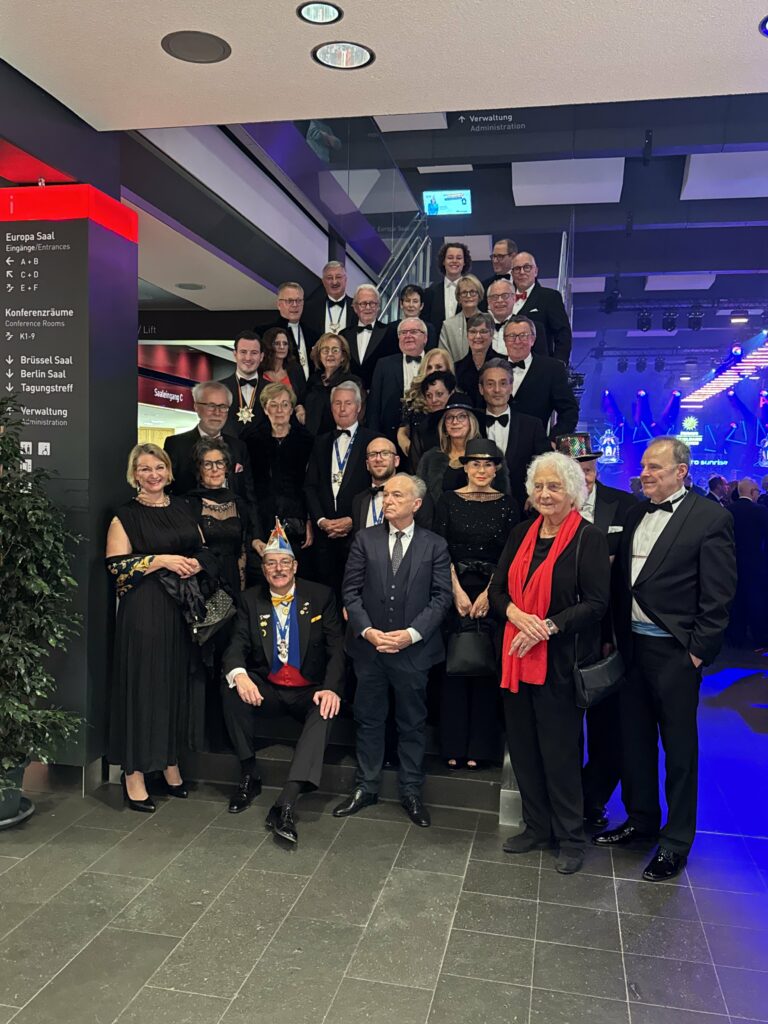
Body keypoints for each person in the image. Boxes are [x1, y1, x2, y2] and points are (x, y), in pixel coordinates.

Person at [594, 438, 736, 882]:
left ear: (681, 471)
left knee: (679, 751)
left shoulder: (710, 517)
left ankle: (675, 841)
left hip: (675, 653)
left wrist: (697, 652)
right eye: (643, 466)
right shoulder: (637, 512)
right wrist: (614, 637)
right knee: (635, 741)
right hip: (632, 648)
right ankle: (641, 820)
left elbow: (718, 594)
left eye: (654, 466)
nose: (645, 473)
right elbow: (623, 584)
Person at [489, 452, 610, 874]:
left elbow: (596, 603)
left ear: (573, 492)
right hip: (516, 658)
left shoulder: (588, 538)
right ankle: (537, 827)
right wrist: (516, 615)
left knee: (560, 755)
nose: (544, 493)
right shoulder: (521, 532)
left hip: (560, 662)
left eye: (554, 486)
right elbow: (498, 590)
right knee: (523, 750)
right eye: (538, 486)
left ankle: (571, 838)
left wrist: (549, 626)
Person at [335, 473, 452, 827]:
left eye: (397, 495)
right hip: (370, 651)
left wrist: (411, 635)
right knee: (368, 719)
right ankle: (366, 786)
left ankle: (411, 791)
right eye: (386, 495)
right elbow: (350, 592)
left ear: (416, 504)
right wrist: (368, 631)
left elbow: (441, 597)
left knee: (412, 723)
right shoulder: (364, 539)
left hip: (413, 652)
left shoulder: (435, 545)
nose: (388, 500)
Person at [222, 522, 344, 843]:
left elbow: (337, 649)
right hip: (270, 688)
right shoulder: (250, 600)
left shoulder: (320, 596)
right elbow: (236, 646)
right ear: (263, 569)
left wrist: (331, 688)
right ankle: (249, 772)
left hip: (308, 689)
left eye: (284, 562)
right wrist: (240, 675)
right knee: (231, 686)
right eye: (271, 563)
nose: (279, 569)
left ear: (295, 566)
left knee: (326, 708)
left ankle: (286, 802)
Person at [106, 444, 208, 811]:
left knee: (173, 685)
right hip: (144, 610)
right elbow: (116, 565)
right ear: (134, 475)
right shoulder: (125, 516)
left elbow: (202, 548)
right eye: (145, 469)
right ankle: (133, 775)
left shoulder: (183, 507)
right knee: (143, 687)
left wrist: (195, 564)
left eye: (159, 467)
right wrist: (160, 560)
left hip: (181, 609)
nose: (153, 475)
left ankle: (169, 764)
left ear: (168, 471)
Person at [555, 433, 637, 829]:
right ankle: (564, 799)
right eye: (574, 471)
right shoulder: (544, 509)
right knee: (562, 724)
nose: (583, 478)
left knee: (609, 725)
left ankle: (593, 798)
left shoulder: (624, 505)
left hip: (610, 634)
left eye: (587, 469)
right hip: (560, 632)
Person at [434, 439, 518, 769]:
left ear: (496, 469)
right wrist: (455, 590)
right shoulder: (447, 500)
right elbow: (440, 548)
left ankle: (481, 749)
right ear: (465, 467)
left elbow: (510, 554)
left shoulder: (509, 504)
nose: (481, 470)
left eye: (487, 464)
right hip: (453, 590)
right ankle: (452, 746)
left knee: (485, 666)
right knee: (454, 667)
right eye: (475, 464)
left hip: (493, 591)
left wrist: (488, 594)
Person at [184, 438, 249, 752]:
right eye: (207, 464)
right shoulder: (187, 503)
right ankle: (198, 737)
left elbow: (244, 548)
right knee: (201, 657)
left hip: (232, 585)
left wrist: (242, 591)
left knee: (228, 654)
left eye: (219, 463)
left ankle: (225, 735)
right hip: (201, 585)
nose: (213, 469)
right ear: (199, 469)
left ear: (227, 468)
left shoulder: (239, 502)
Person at [164, 381, 261, 542]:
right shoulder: (175, 445)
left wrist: (256, 536)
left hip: (234, 536)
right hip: (189, 535)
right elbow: (167, 493)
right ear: (196, 407)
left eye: (223, 407)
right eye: (211, 406)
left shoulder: (239, 447)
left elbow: (249, 496)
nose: (217, 412)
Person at [304, 381, 378, 594]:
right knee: (325, 594)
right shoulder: (320, 442)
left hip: (359, 534)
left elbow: (377, 488)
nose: (342, 409)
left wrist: (353, 520)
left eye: (348, 403)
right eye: (337, 403)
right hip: (324, 536)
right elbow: (310, 486)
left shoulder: (374, 440)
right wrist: (321, 520)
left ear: (358, 407)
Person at [246, 383, 314, 561]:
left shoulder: (307, 441)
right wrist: (254, 532)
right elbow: (248, 488)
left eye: (285, 404)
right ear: (265, 409)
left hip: (297, 525)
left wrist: (309, 520)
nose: (279, 410)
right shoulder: (250, 441)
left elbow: (312, 484)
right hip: (262, 524)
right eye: (273, 405)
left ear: (291, 409)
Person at [478, 359, 549, 512]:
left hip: (522, 508)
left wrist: (535, 493)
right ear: (481, 389)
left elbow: (546, 465)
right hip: (477, 507)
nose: (497, 390)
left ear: (511, 387)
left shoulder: (532, 425)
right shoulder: (471, 423)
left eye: (503, 383)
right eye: (490, 384)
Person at [418, 393, 510, 504]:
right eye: (449, 417)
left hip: (484, 513)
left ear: (471, 422)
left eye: (461, 416)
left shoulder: (491, 452)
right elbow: (422, 499)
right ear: (444, 426)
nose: (455, 422)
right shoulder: (430, 458)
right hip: (440, 514)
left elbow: (503, 497)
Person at [503, 318, 579, 438]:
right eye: (511, 336)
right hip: (494, 445)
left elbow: (569, 411)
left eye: (523, 336)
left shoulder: (552, 369)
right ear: (505, 340)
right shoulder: (492, 366)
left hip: (536, 446)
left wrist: (553, 440)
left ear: (533, 339)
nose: (517, 341)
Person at [351, 435, 435, 532]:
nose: (378, 459)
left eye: (385, 453)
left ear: (396, 461)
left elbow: (424, 536)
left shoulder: (415, 495)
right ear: (367, 464)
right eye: (372, 454)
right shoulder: (358, 500)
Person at [367, 317, 429, 443]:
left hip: (427, 433)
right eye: (403, 333)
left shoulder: (434, 362)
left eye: (414, 332)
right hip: (390, 436)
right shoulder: (384, 365)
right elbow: (374, 406)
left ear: (425, 338)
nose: (408, 336)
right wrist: (374, 438)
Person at [509, 251, 573, 364]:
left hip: (539, 366)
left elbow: (563, 334)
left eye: (527, 267)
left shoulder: (550, 297)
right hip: (506, 368)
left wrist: (558, 365)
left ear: (536, 271)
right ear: (512, 274)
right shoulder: (503, 299)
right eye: (517, 269)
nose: (522, 272)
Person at [727, 478, 768, 648]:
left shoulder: (728, 510)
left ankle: (736, 637)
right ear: (752, 492)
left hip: (732, 563)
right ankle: (760, 638)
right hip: (756, 563)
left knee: (736, 601)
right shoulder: (760, 511)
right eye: (757, 491)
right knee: (757, 600)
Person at [303, 333, 365, 437]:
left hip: (338, 437)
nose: (330, 354)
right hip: (310, 438)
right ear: (319, 355)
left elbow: (359, 415)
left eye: (335, 350)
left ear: (343, 357)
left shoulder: (352, 382)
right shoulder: (313, 379)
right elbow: (302, 401)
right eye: (325, 350)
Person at [341, 284, 397, 389]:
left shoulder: (391, 333)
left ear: (378, 307)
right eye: (363, 304)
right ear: (355, 308)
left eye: (372, 303)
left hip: (380, 392)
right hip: (350, 392)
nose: (368, 307)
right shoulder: (344, 335)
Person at [399, 370, 456, 471]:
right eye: (429, 396)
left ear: (451, 394)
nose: (434, 400)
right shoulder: (422, 429)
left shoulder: (463, 423)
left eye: (439, 394)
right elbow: (415, 467)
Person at [269, 281, 320, 382]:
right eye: (289, 301)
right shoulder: (265, 332)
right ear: (279, 304)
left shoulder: (313, 334)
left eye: (299, 300)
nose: (295, 305)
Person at [218, 332, 267, 436]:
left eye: (254, 353)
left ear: (261, 356)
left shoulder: (273, 390)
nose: (248, 358)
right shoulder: (218, 389)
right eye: (243, 352)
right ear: (235, 354)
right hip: (227, 446)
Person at [422, 242, 472, 335]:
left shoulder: (473, 292)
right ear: (443, 261)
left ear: (464, 262)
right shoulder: (430, 292)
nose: (454, 261)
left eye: (459, 258)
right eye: (450, 257)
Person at [260, 325, 307, 417]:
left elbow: (302, 398)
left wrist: (300, 408)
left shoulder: (296, 369)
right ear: (268, 346)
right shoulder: (258, 370)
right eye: (277, 343)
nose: (282, 347)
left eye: (285, 343)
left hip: (290, 420)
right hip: (262, 420)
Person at [439, 274, 485, 362]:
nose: (468, 296)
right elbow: (443, 357)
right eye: (464, 292)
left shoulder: (488, 321)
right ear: (459, 298)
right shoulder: (448, 326)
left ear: (479, 295)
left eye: (472, 292)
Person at [304, 260, 357, 335]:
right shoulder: (310, 309)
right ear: (323, 282)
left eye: (338, 277)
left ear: (345, 280)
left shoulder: (357, 307)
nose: (334, 282)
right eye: (329, 278)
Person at [454, 312, 495, 406]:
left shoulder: (502, 363)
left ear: (492, 334)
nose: (478, 336)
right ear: (467, 335)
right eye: (473, 332)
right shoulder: (457, 368)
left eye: (483, 331)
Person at [486, 279, 516, 355]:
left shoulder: (526, 327)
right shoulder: (480, 327)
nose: (499, 300)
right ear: (488, 301)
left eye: (505, 296)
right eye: (494, 297)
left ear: (514, 298)